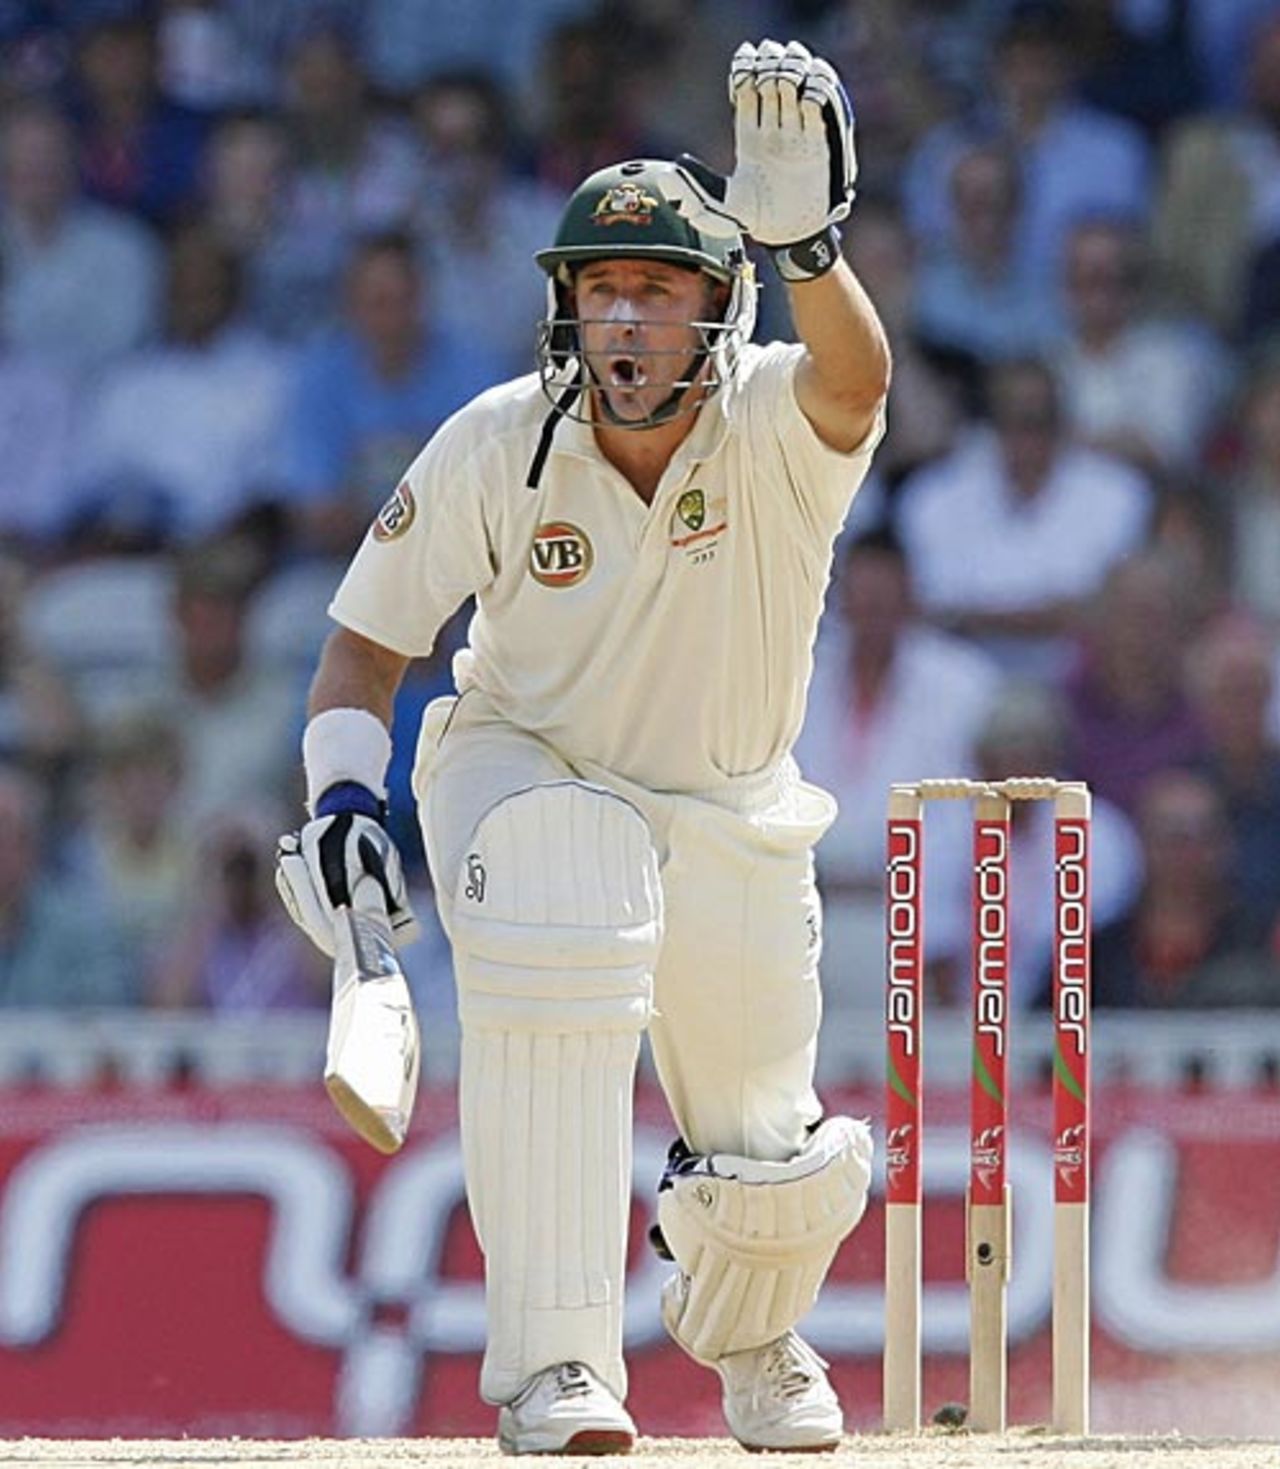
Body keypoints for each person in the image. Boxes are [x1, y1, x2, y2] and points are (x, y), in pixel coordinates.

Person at [276, 39, 888, 1455]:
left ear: (719, 308)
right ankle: (555, 1369)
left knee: (768, 1148)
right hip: (522, 772)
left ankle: (753, 1337)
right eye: (599, 290)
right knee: (567, 882)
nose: (622, 321)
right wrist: (347, 792)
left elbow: (860, 381)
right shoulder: (501, 438)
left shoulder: (774, 423)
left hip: (726, 804)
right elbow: (365, 648)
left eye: (656, 292)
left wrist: (809, 245)